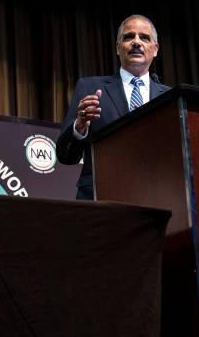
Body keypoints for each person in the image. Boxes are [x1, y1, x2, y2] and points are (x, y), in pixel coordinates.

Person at [56, 14, 170, 200]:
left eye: (144, 37)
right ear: (118, 48)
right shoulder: (90, 88)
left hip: (157, 197)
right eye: (128, 37)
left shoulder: (169, 97)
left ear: (155, 49)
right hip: (102, 198)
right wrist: (80, 126)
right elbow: (66, 156)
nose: (136, 42)